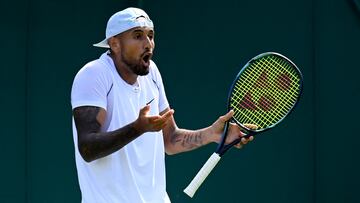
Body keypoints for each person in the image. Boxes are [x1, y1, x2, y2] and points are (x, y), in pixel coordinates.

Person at [71, 7, 254, 203]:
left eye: (151, 36)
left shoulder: (152, 73)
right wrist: (138, 128)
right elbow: (88, 149)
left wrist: (212, 134)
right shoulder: (94, 74)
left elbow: (170, 140)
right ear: (114, 44)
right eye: (138, 36)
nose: (148, 43)